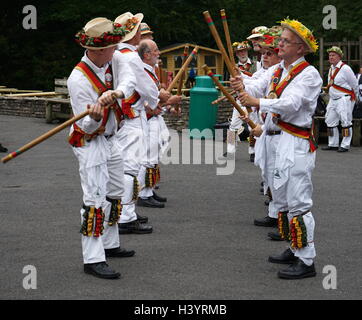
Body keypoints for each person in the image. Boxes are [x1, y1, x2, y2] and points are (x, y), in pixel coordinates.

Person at [231, 18, 322, 279]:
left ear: (301, 48)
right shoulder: (277, 70)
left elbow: (291, 103)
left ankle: (307, 260)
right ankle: (293, 247)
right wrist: (241, 85)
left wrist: (256, 101)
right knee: (281, 197)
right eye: (280, 40)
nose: (278, 44)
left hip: (294, 141)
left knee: (298, 199)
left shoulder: (309, 74)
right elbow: (255, 88)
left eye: (284, 41)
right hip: (275, 140)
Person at [67, 17, 136, 279]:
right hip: (90, 142)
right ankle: (93, 259)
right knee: (94, 198)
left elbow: (129, 81)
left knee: (116, 190)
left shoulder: (113, 59)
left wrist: (116, 93)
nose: (118, 49)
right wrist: (93, 115)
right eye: (112, 46)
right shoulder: (78, 79)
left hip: (111, 139)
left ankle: (110, 243)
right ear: (96, 50)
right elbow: (83, 127)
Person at [112, 12, 170, 226]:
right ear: (134, 33)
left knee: (131, 166)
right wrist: (159, 98)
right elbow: (146, 88)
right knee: (130, 168)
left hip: (129, 115)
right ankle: (125, 216)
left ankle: (129, 212)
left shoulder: (118, 54)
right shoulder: (129, 56)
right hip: (132, 116)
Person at [137, 39, 181, 207]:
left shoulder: (151, 71)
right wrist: (170, 101)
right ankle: (142, 193)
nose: (158, 53)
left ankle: (148, 191)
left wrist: (169, 106)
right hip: (147, 120)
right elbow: (148, 104)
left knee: (154, 156)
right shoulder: (142, 72)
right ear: (147, 54)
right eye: (155, 50)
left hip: (155, 119)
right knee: (147, 158)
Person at [322, 46, 358, 152]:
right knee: (330, 121)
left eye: (333, 55)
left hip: (344, 98)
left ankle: (345, 145)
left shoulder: (345, 68)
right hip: (333, 99)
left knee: (345, 121)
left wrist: (353, 98)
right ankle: (333, 144)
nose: (331, 57)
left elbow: (354, 84)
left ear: (339, 56)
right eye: (330, 55)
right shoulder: (331, 69)